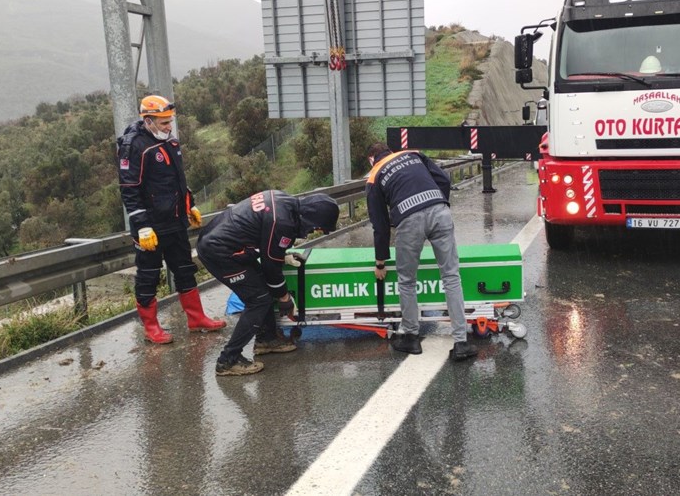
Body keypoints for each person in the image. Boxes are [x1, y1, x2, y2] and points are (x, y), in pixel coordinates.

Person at [117, 95, 226, 344]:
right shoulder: (134, 147)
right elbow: (129, 190)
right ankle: (151, 327)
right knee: (149, 276)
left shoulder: (170, 142)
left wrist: (191, 203)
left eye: (170, 121)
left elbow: (177, 180)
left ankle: (196, 318)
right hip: (151, 228)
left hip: (175, 221)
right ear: (148, 120)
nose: (169, 126)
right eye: (164, 122)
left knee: (186, 269)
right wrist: (142, 226)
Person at [197, 190, 340, 376]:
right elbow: (271, 266)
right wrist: (284, 297)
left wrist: (282, 255)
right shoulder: (283, 222)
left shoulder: (285, 201)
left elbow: (266, 243)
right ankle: (228, 360)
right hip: (219, 251)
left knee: (262, 289)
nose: (314, 232)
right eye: (317, 228)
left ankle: (267, 339)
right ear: (312, 219)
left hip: (224, 242)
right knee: (259, 299)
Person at [365, 143, 478, 362]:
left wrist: (380, 262)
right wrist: (440, 205)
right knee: (451, 276)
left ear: (372, 159)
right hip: (440, 211)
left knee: (407, 280)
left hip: (409, 220)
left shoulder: (374, 176)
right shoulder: (413, 154)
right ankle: (461, 342)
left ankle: (411, 337)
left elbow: (379, 225)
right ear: (389, 150)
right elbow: (444, 180)